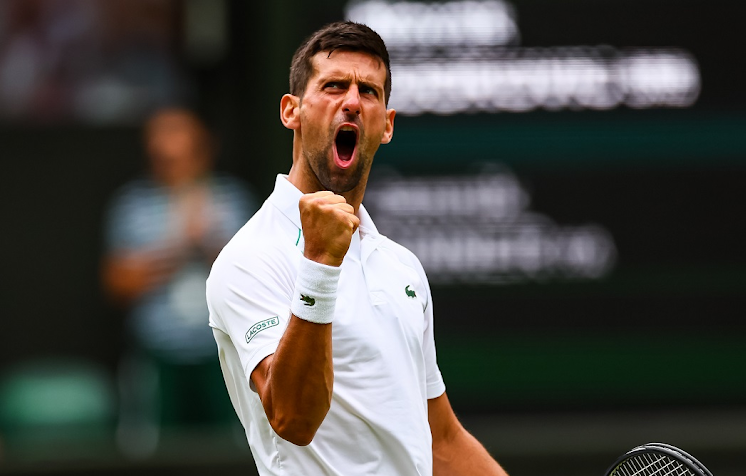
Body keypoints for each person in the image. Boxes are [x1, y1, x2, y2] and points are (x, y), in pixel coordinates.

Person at [206, 22, 509, 475]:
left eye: (368, 91)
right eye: (333, 86)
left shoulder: (402, 267)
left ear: (386, 125)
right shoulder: (248, 259)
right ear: (292, 111)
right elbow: (293, 418)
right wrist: (321, 264)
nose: (351, 101)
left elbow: (441, 440)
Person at [103, 107, 257, 454]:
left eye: (178, 138)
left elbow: (256, 277)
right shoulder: (133, 205)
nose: (168, 150)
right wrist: (177, 246)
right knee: (155, 454)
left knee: (231, 452)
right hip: (159, 356)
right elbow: (118, 282)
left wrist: (210, 246)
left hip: (225, 354)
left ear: (202, 146)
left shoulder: (233, 200)